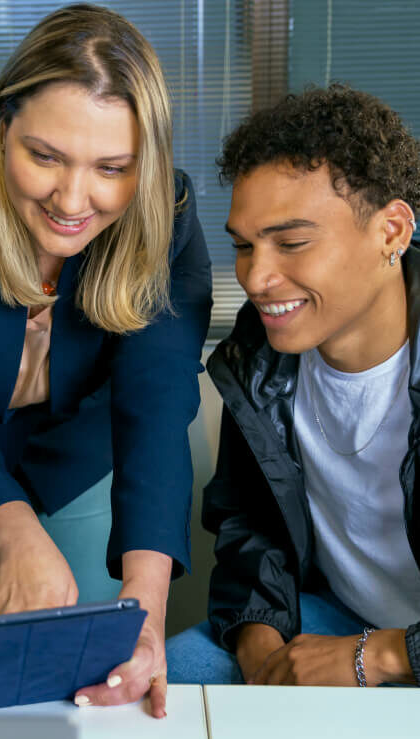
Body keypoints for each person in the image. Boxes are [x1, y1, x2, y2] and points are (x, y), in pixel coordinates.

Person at [0, 3, 212, 715]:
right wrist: (13, 532)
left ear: (145, 163)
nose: (72, 199)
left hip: (76, 467)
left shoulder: (169, 214)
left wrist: (147, 611)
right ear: (2, 124)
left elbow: (155, 409)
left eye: (111, 168)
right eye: (44, 156)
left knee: (86, 683)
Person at [166, 84, 420, 687]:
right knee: (165, 681)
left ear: (391, 231)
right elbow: (249, 526)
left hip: (391, 647)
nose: (257, 276)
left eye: (292, 242)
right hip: (339, 619)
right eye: (243, 245)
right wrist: (261, 648)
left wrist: (382, 657)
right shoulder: (258, 357)